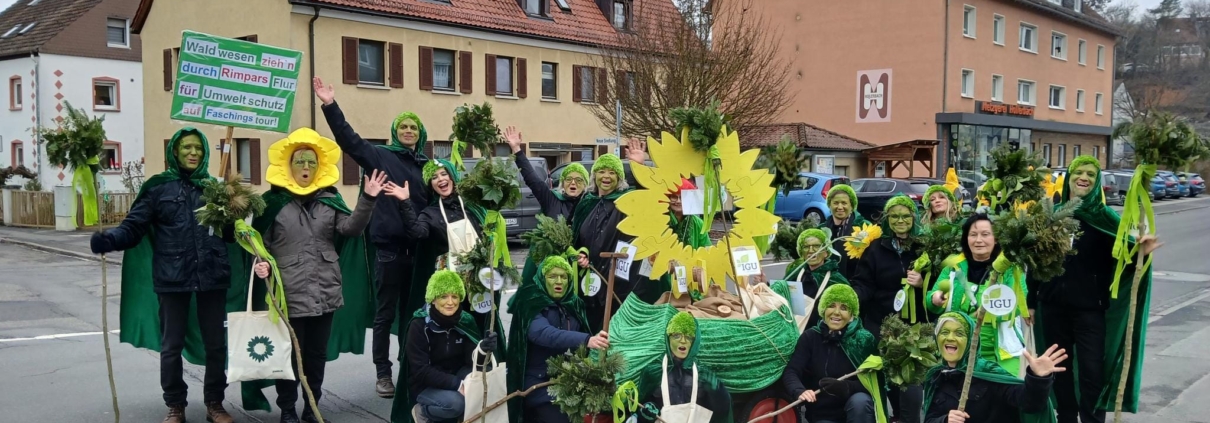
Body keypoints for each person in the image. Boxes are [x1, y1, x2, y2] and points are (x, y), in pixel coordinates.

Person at [91, 128, 236, 423]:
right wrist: (111, 240)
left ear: (205, 152)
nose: (193, 153)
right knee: (171, 345)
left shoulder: (215, 188)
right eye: (187, 148)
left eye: (198, 148)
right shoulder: (159, 188)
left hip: (212, 274)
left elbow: (231, 236)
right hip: (172, 277)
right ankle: (175, 405)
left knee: (216, 345)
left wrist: (232, 213)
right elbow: (134, 227)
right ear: (175, 152)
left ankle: (215, 403)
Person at [250, 129, 381, 423]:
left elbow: (351, 230)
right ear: (288, 166)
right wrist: (260, 263)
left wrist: (368, 199)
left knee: (315, 356)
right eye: (300, 162)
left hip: (325, 290)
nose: (306, 168)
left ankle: (312, 407)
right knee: (288, 355)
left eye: (311, 162)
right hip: (287, 293)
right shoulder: (272, 203)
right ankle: (287, 410)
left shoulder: (329, 200)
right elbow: (258, 244)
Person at [314, 76, 431, 397]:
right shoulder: (381, 157)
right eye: (403, 127)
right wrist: (329, 104)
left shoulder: (428, 166)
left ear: (421, 134)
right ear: (396, 131)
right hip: (389, 252)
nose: (409, 131)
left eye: (414, 128)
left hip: (419, 252)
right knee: (385, 315)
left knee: (415, 315)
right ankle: (383, 373)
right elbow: (350, 142)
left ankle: (409, 366)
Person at [1028, 156, 1161, 423]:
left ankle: (1092, 419)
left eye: (1090, 173)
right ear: (1069, 177)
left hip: (1090, 309)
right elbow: (1035, 261)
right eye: (1079, 172)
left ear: (1096, 180)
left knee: (1091, 370)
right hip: (1053, 306)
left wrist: (1140, 254)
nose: (1084, 177)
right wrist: (1031, 300)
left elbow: (1121, 260)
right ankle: (1065, 417)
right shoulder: (1052, 215)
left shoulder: (1105, 217)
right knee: (1058, 368)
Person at [383, 159, 496, 333]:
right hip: (451, 282)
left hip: (478, 278)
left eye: (444, 174)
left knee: (483, 324)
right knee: (456, 326)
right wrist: (405, 202)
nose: (440, 179)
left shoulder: (472, 204)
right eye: (434, 177)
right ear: (431, 185)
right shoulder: (430, 213)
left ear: (452, 176)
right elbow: (417, 233)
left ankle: (483, 358)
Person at [850, 194, 927, 423]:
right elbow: (864, 283)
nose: (900, 221)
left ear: (914, 218)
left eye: (905, 216)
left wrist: (923, 284)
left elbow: (939, 284)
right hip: (880, 324)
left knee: (912, 383)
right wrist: (852, 298)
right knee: (888, 379)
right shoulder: (875, 249)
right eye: (894, 216)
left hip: (914, 327)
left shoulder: (924, 247)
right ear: (887, 219)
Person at [506, 256, 611, 423]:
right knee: (563, 417)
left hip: (567, 377)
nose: (559, 281)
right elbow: (543, 333)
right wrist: (586, 339)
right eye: (552, 276)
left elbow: (587, 331)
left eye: (564, 277)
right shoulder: (530, 302)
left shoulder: (573, 303)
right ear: (542, 278)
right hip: (536, 379)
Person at [926, 214, 1029, 377]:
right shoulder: (954, 268)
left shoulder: (1010, 270)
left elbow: (1017, 304)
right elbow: (932, 298)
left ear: (995, 239)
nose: (978, 240)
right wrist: (935, 298)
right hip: (960, 351)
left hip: (1001, 353)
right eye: (973, 235)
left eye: (985, 234)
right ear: (966, 239)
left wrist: (988, 309)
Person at [393, 270, 499, 423]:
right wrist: (458, 385)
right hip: (426, 384)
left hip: (457, 374)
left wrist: (483, 348)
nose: (450, 302)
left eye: (455, 296)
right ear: (433, 299)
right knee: (455, 404)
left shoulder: (465, 321)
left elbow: (473, 362)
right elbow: (420, 371)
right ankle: (422, 411)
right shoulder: (419, 325)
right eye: (444, 296)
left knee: (487, 382)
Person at [923, 312, 1064, 423]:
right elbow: (929, 419)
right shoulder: (935, 377)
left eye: (959, 333)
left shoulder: (989, 372)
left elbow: (1029, 404)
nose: (950, 338)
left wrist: (1038, 377)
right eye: (944, 332)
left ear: (971, 340)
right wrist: (945, 420)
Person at [503, 126, 590, 297]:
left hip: (575, 271)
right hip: (547, 269)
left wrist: (584, 254)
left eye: (578, 180)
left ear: (585, 184)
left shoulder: (589, 206)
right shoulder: (552, 200)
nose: (573, 183)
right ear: (563, 183)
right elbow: (533, 179)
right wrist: (517, 150)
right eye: (569, 179)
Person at [781, 284, 884, 423]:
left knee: (860, 402)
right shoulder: (810, 337)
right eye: (831, 306)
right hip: (822, 413)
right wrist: (799, 390)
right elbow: (791, 371)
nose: (836, 312)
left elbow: (876, 381)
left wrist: (847, 387)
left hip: (853, 409)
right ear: (823, 310)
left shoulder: (863, 339)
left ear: (852, 314)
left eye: (844, 308)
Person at [573, 152, 648, 332]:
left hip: (617, 278)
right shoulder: (586, 203)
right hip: (589, 276)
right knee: (590, 323)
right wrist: (580, 255)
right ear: (594, 175)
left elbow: (646, 198)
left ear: (620, 177)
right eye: (601, 171)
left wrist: (639, 167)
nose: (606, 177)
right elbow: (576, 239)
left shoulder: (626, 201)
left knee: (613, 324)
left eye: (612, 173)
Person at [633, 312, 733, 423]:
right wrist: (646, 412)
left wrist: (718, 393)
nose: (683, 341)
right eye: (676, 336)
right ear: (668, 338)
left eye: (689, 337)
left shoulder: (702, 373)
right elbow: (639, 407)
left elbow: (721, 413)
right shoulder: (653, 370)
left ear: (695, 341)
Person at [781, 228, 850, 327]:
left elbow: (846, 312)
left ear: (826, 252)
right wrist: (764, 283)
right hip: (794, 330)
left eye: (816, 246)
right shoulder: (795, 273)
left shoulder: (836, 280)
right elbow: (779, 296)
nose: (811, 250)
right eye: (806, 247)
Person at [821, 184, 869, 279]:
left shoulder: (865, 227)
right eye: (835, 203)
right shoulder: (821, 230)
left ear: (851, 205)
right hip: (827, 281)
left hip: (857, 281)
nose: (840, 207)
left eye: (844, 203)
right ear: (829, 205)